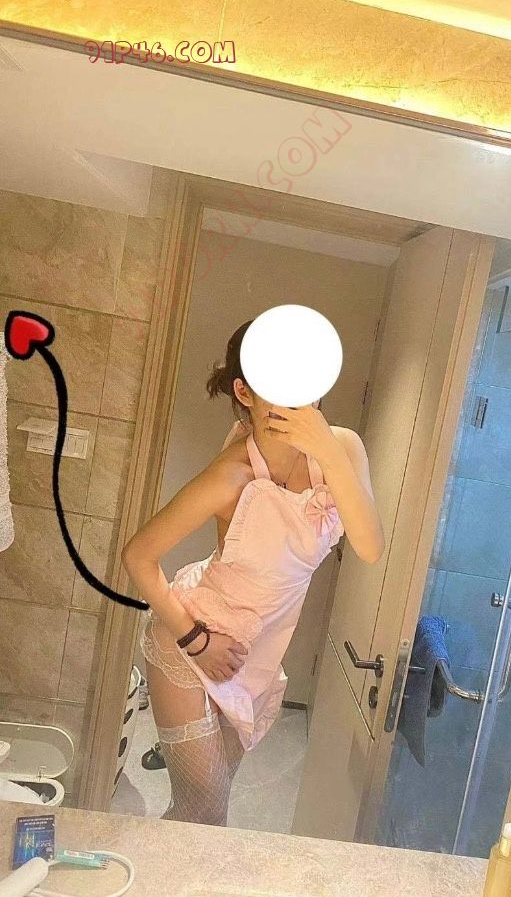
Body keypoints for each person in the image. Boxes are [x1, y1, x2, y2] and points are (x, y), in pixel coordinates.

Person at [121, 319, 384, 825]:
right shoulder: (233, 473)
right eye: (277, 380)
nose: (294, 395)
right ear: (245, 391)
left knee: (203, 814)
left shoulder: (343, 449)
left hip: (253, 657)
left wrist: (327, 449)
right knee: (206, 808)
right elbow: (138, 556)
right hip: (190, 642)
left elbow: (369, 547)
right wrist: (196, 639)